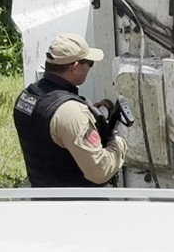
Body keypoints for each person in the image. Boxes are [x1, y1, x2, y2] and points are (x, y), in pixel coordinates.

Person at [12, 33, 127, 187]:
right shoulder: (71, 112)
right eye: (89, 63)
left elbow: (50, 134)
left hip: (43, 197)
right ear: (75, 67)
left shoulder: (28, 96)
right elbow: (99, 171)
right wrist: (119, 143)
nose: (90, 68)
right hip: (77, 205)